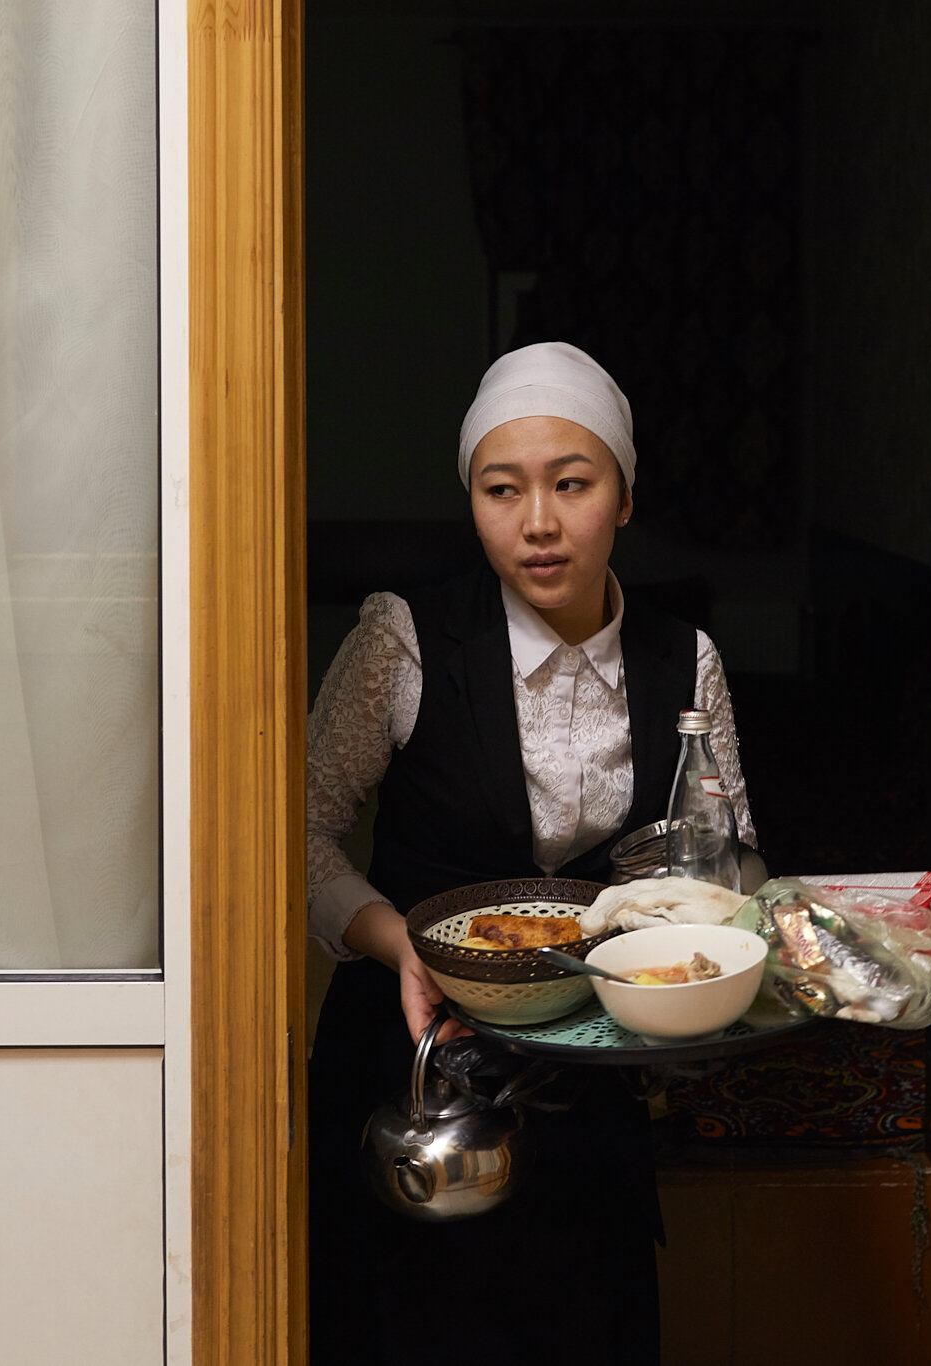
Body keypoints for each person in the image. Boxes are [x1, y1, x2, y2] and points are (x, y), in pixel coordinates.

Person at [304, 342, 758, 1365]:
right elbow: (294, 829)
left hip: (592, 1075)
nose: (538, 522)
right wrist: (395, 946)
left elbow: (723, 864)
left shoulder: (683, 661)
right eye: (501, 489)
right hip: (415, 1066)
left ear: (625, 497)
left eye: (571, 483)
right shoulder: (406, 639)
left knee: (580, 1321)